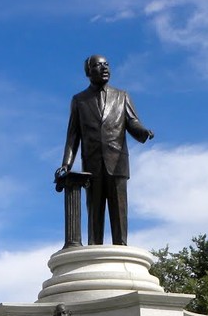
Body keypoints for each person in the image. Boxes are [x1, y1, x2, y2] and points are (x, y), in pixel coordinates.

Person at [56, 54, 154, 246]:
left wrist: (142, 132)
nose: (104, 68)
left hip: (117, 161)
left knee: (119, 210)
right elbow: (73, 136)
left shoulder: (122, 96)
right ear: (88, 72)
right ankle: (95, 249)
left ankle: (121, 249)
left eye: (106, 64)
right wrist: (66, 164)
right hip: (92, 164)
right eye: (98, 65)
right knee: (95, 212)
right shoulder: (79, 100)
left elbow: (132, 121)